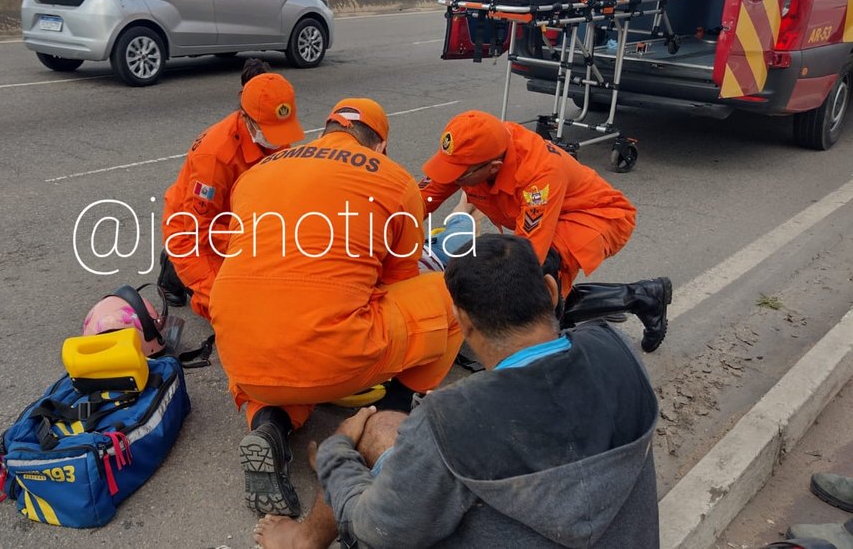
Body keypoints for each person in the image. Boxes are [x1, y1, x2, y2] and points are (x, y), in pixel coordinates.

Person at [254, 234, 661, 549]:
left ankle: (305, 535)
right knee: (388, 428)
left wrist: (335, 453)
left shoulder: (451, 421)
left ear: (462, 322)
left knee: (365, 451)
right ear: (552, 292)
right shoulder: (618, 349)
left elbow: (377, 529)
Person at [209, 98, 462, 517]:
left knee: (280, 350)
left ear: (324, 131)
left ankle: (269, 423)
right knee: (447, 294)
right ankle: (389, 414)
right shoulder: (394, 180)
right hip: (333, 355)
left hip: (242, 355)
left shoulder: (255, 174)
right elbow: (399, 283)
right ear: (379, 146)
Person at [420, 109, 672, 351]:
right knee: (532, 288)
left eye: (459, 175)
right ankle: (643, 296)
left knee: (534, 286)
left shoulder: (538, 173)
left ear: (493, 167)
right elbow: (419, 200)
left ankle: (549, 355)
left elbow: (530, 256)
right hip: (554, 215)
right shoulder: (471, 151)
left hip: (598, 216)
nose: (451, 178)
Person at [157, 62, 302, 318]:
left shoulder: (272, 129)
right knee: (231, 307)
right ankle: (174, 271)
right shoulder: (215, 156)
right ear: (246, 116)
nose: (279, 140)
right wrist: (248, 239)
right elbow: (199, 228)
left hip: (239, 221)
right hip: (194, 232)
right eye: (271, 131)